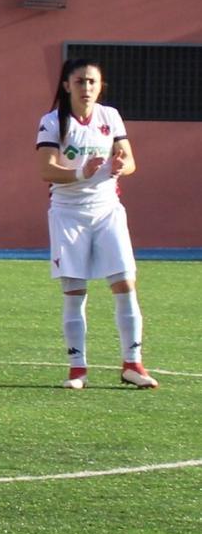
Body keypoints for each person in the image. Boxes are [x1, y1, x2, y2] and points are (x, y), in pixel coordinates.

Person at [36, 57, 156, 390]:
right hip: (68, 214)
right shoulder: (52, 122)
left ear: (100, 86)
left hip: (107, 210)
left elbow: (130, 161)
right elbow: (45, 169)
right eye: (80, 81)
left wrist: (120, 165)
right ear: (66, 86)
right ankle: (78, 370)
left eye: (92, 82)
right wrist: (79, 172)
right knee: (74, 292)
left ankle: (132, 364)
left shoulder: (110, 116)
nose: (87, 88)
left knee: (125, 285)